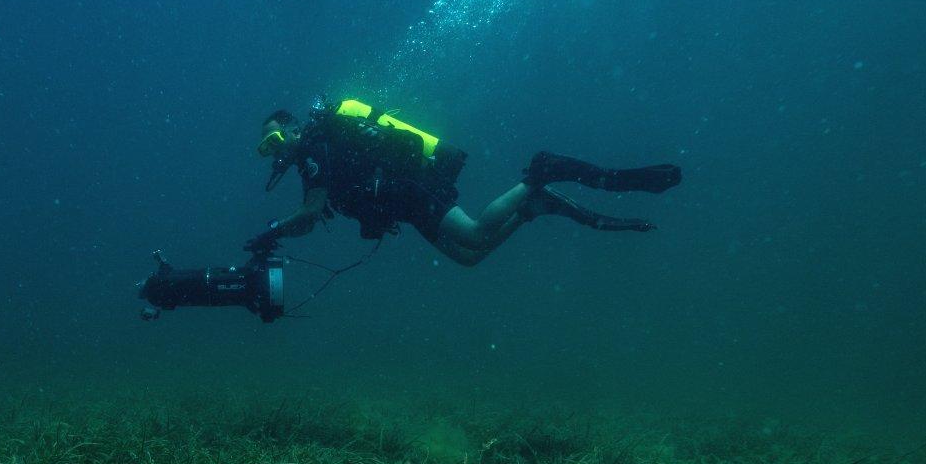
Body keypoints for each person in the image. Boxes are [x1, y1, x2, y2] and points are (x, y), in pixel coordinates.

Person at [252, 99, 681, 266]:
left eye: (274, 139)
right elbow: (310, 216)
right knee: (469, 257)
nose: (274, 152)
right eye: (266, 148)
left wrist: (271, 231)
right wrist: (282, 231)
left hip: (406, 191)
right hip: (400, 201)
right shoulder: (313, 156)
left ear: (292, 130)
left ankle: (539, 176)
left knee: (475, 233)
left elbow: (310, 212)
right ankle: (533, 207)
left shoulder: (313, 151)